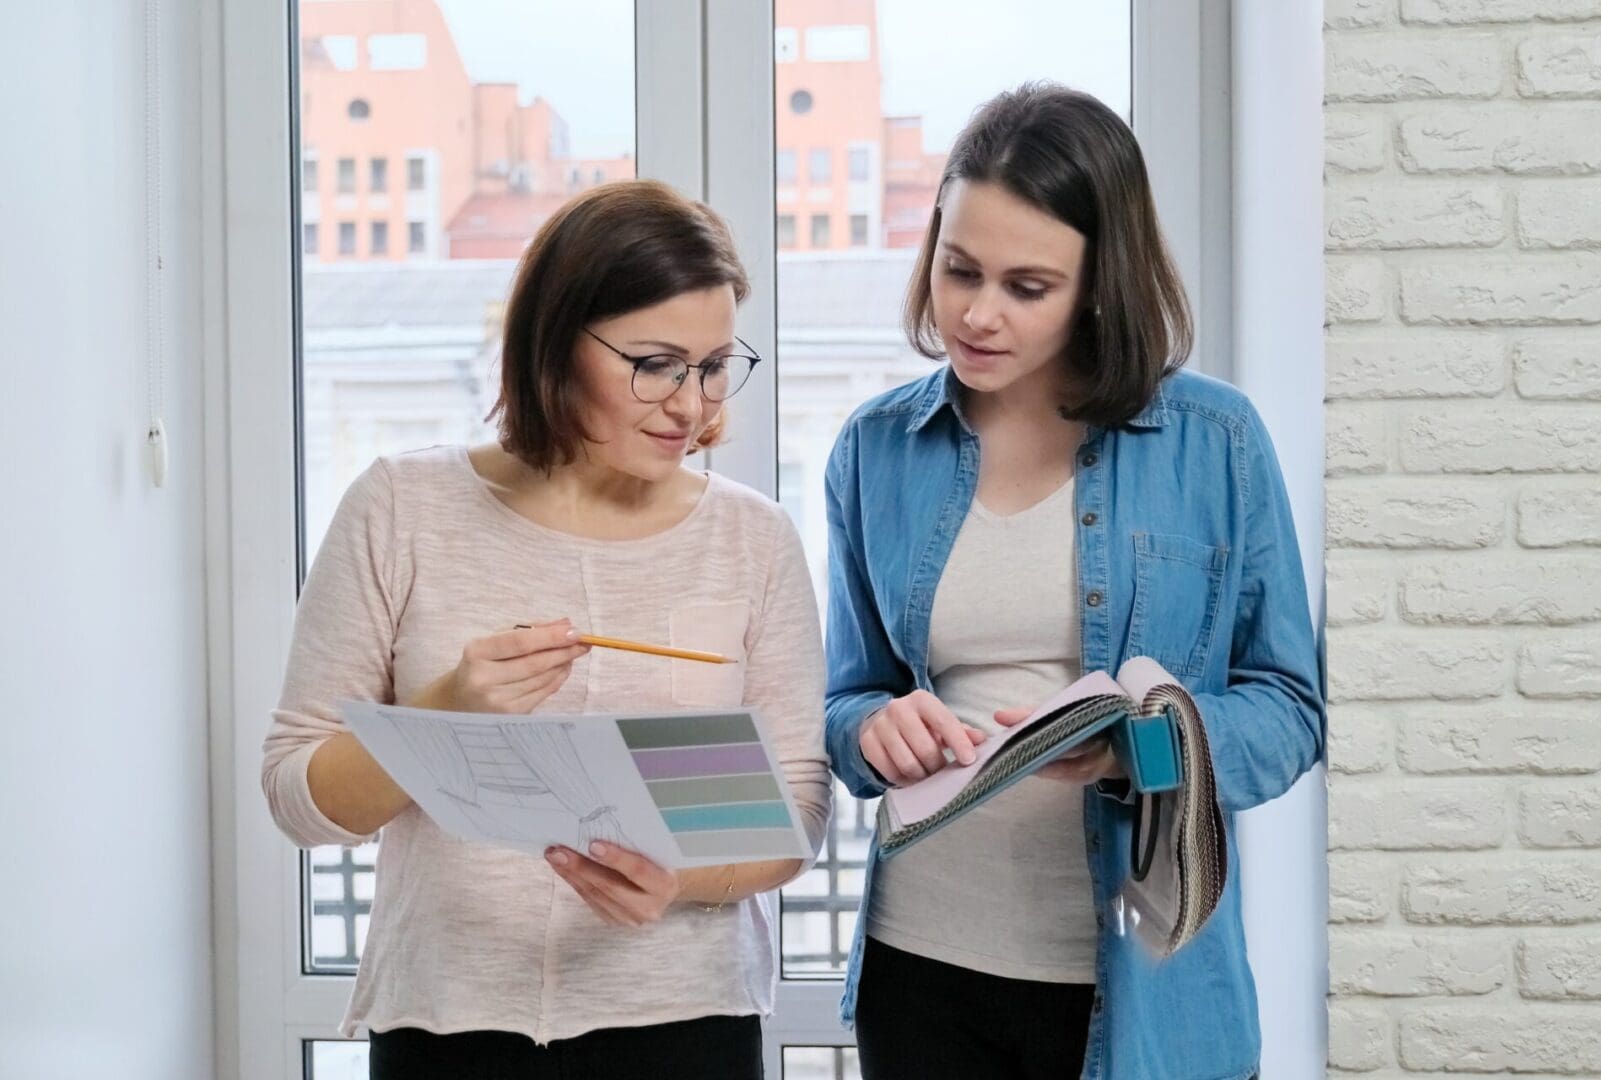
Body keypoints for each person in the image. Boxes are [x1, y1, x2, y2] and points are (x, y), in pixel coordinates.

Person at [262, 179, 831, 1080]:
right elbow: (297, 797)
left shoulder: (753, 538)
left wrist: (680, 880)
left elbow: (797, 809)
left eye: (716, 364)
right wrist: (445, 711)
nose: (691, 403)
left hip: (684, 1025)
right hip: (448, 1024)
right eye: (655, 363)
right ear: (556, 345)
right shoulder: (400, 507)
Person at [822, 83, 1324, 1080]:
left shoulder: (1215, 442)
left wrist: (1133, 751)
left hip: (1146, 989)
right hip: (922, 968)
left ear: (1101, 283)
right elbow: (846, 695)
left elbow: (1290, 710)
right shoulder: (876, 450)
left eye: (1026, 286)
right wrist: (868, 730)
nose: (975, 312)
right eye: (957, 268)